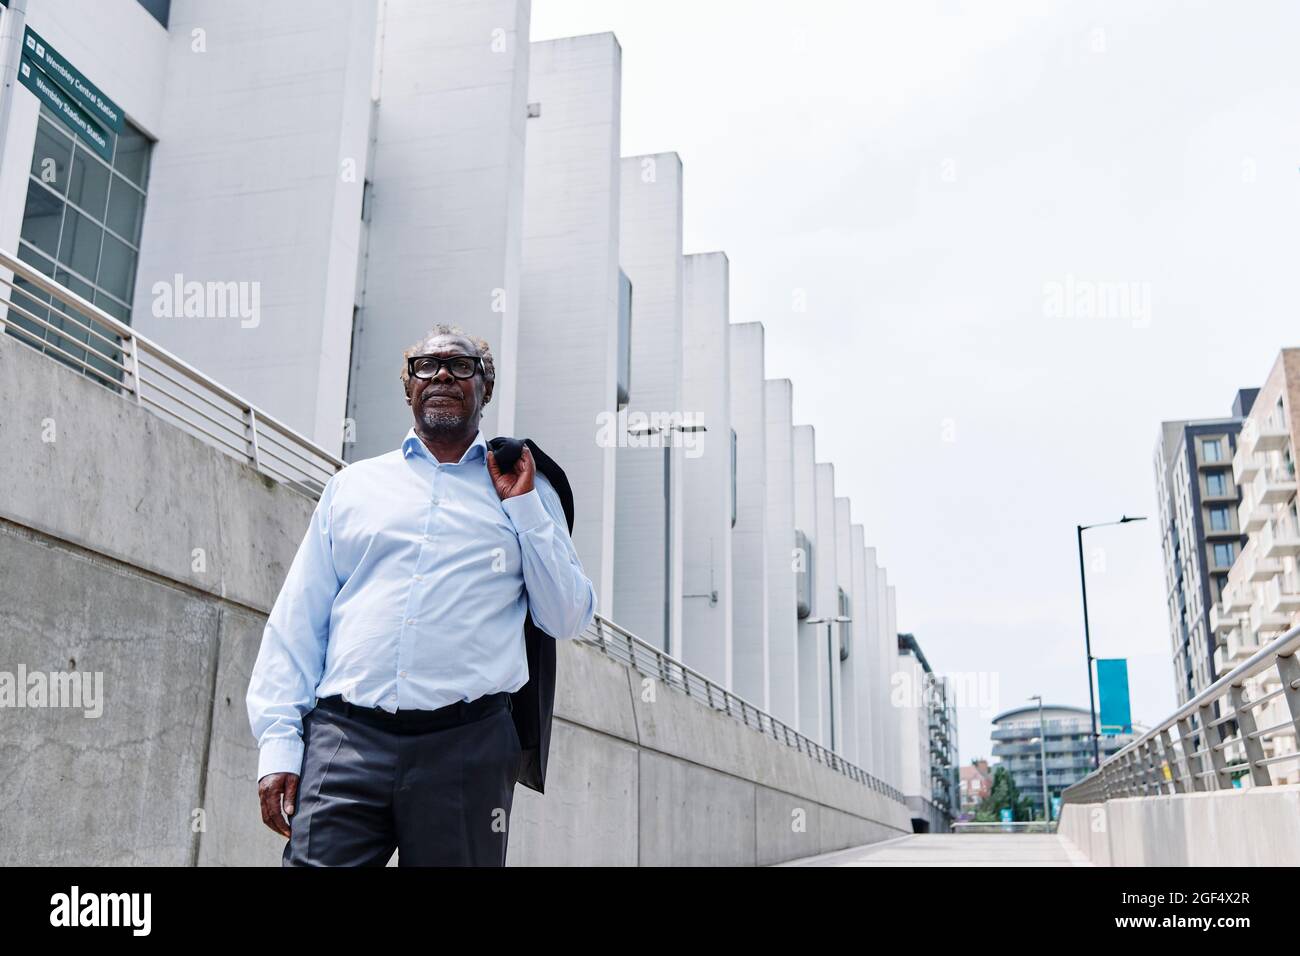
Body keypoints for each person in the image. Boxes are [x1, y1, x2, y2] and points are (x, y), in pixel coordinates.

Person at [246, 323, 597, 866]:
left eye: (461, 366)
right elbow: (298, 622)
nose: (441, 376)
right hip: (345, 740)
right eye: (425, 367)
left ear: (485, 387)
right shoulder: (354, 485)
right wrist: (278, 744)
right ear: (408, 386)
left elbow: (567, 616)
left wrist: (523, 509)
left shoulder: (527, 486)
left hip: (468, 748)